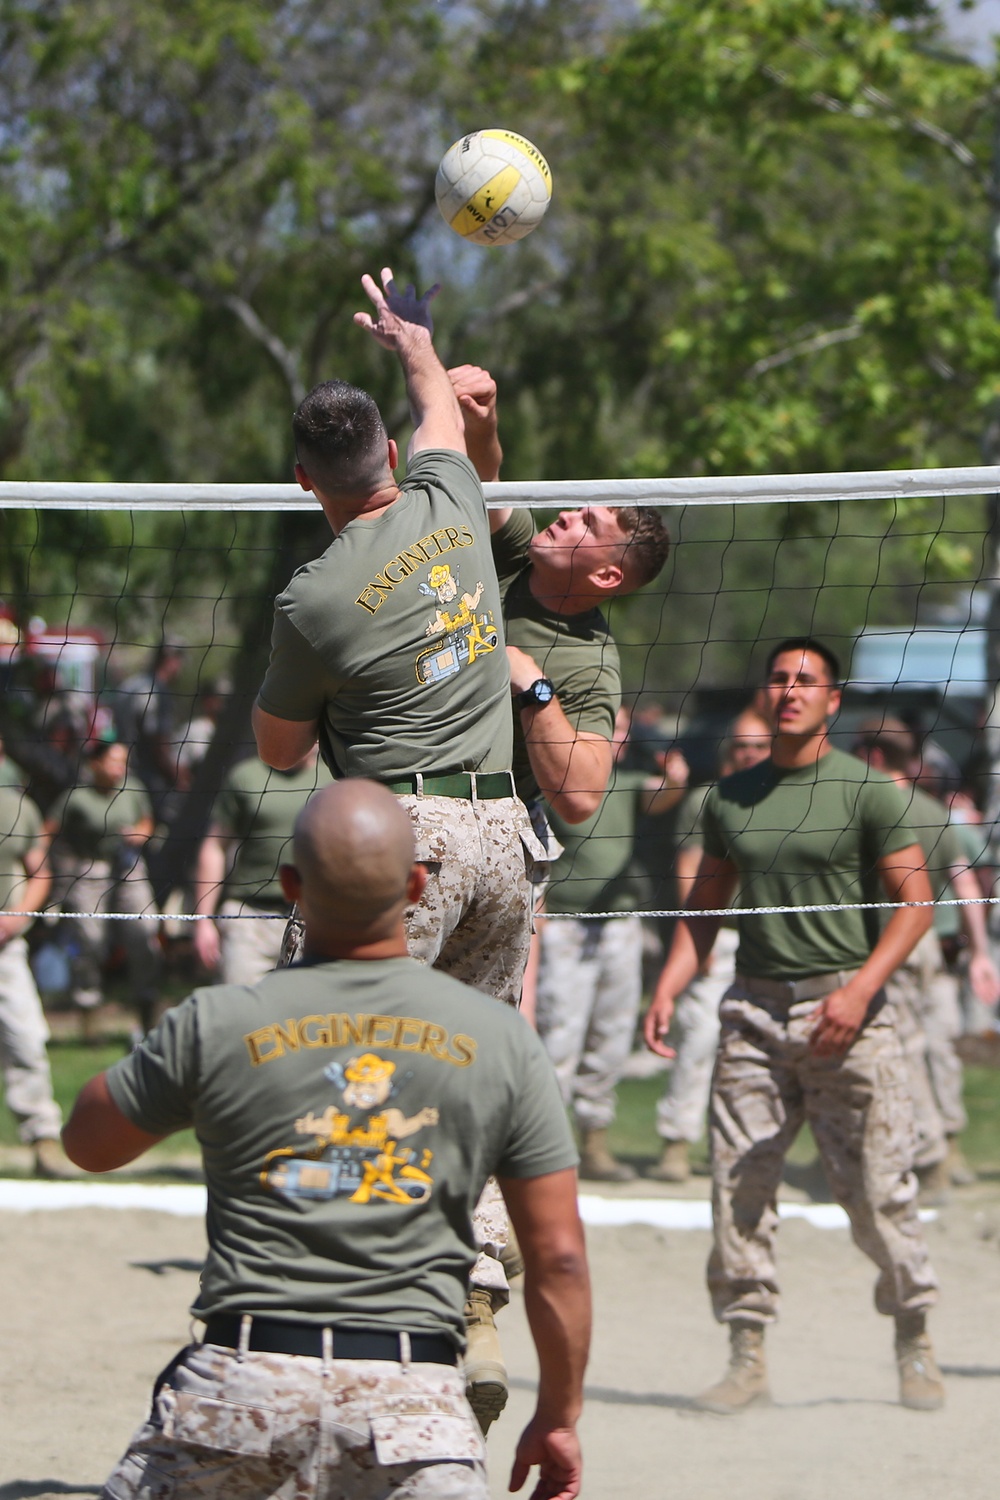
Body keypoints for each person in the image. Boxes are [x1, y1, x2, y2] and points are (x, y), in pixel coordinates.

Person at [63, 779, 590, 1500]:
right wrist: (558, 1418)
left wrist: (187, 1063)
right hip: (414, 1402)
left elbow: (87, 1143)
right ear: (414, 884)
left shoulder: (217, 1023)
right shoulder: (500, 1041)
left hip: (241, 1385)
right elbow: (559, 1257)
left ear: (289, 887)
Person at [251, 270, 546, 1430]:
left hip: (399, 844)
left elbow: (280, 756)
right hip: (504, 844)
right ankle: (471, 1291)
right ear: (389, 450)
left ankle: (304, 1324)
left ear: (303, 482)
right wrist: (413, 342)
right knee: (454, 1075)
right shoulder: (453, 496)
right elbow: (436, 395)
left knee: (305, 1065)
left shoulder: (311, 600)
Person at [644, 637, 944, 1413]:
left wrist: (859, 994)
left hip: (848, 1010)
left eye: (805, 680)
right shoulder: (727, 797)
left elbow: (917, 907)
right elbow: (704, 909)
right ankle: (747, 1356)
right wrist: (671, 985)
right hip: (755, 1010)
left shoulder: (870, 792)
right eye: (778, 678)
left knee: (877, 1192)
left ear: (832, 701)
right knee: (737, 1185)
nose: (789, 690)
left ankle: (914, 1337)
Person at [536, 706, 688, 1181]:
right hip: (564, 924)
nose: (617, 735)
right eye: (610, 726)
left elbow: (662, 796)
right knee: (558, 1034)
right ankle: (545, 1147)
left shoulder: (629, 780)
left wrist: (676, 776)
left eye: (623, 727)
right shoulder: (558, 781)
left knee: (612, 1035)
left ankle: (595, 1142)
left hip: (620, 923)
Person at [852, 715, 1000, 1195]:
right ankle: (933, 1150)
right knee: (931, 1050)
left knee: (901, 1054)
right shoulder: (934, 811)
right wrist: (980, 952)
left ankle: (932, 1154)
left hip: (885, 951)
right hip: (930, 952)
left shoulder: (864, 808)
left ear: (871, 756)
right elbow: (966, 886)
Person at [650, 707, 772, 1184]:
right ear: (729, 752)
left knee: (757, 1054)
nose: (749, 754)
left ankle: (742, 1149)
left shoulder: (787, 796)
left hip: (768, 941)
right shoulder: (707, 799)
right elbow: (689, 867)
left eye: (759, 746)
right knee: (698, 1039)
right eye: (741, 746)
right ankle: (676, 1142)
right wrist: (695, 940)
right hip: (716, 937)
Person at [44, 735, 161, 1035]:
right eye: (113, 760)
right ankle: (89, 1016)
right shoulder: (77, 796)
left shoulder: (133, 788)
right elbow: (48, 831)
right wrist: (42, 867)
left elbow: (148, 821)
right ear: (95, 763)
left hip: (130, 867)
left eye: (124, 760)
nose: (120, 766)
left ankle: (147, 1010)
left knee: (145, 932)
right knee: (90, 941)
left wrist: (139, 834)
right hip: (90, 870)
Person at [192, 748, 328, 984]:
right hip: (250, 916)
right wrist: (203, 920)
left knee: (306, 1016)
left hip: (316, 917)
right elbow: (214, 847)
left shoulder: (336, 778)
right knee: (242, 1013)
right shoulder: (246, 776)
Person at [0, 780, 78, 1178]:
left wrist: (15, 918)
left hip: (5, 949)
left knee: (26, 1040)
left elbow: (40, 874)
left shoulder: (17, 807)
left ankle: (43, 1141)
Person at [115, 642, 184, 815]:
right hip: (149, 779)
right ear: (171, 661)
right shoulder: (158, 691)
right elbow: (158, 743)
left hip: (123, 775)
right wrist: (178, 779)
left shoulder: (129, 685)